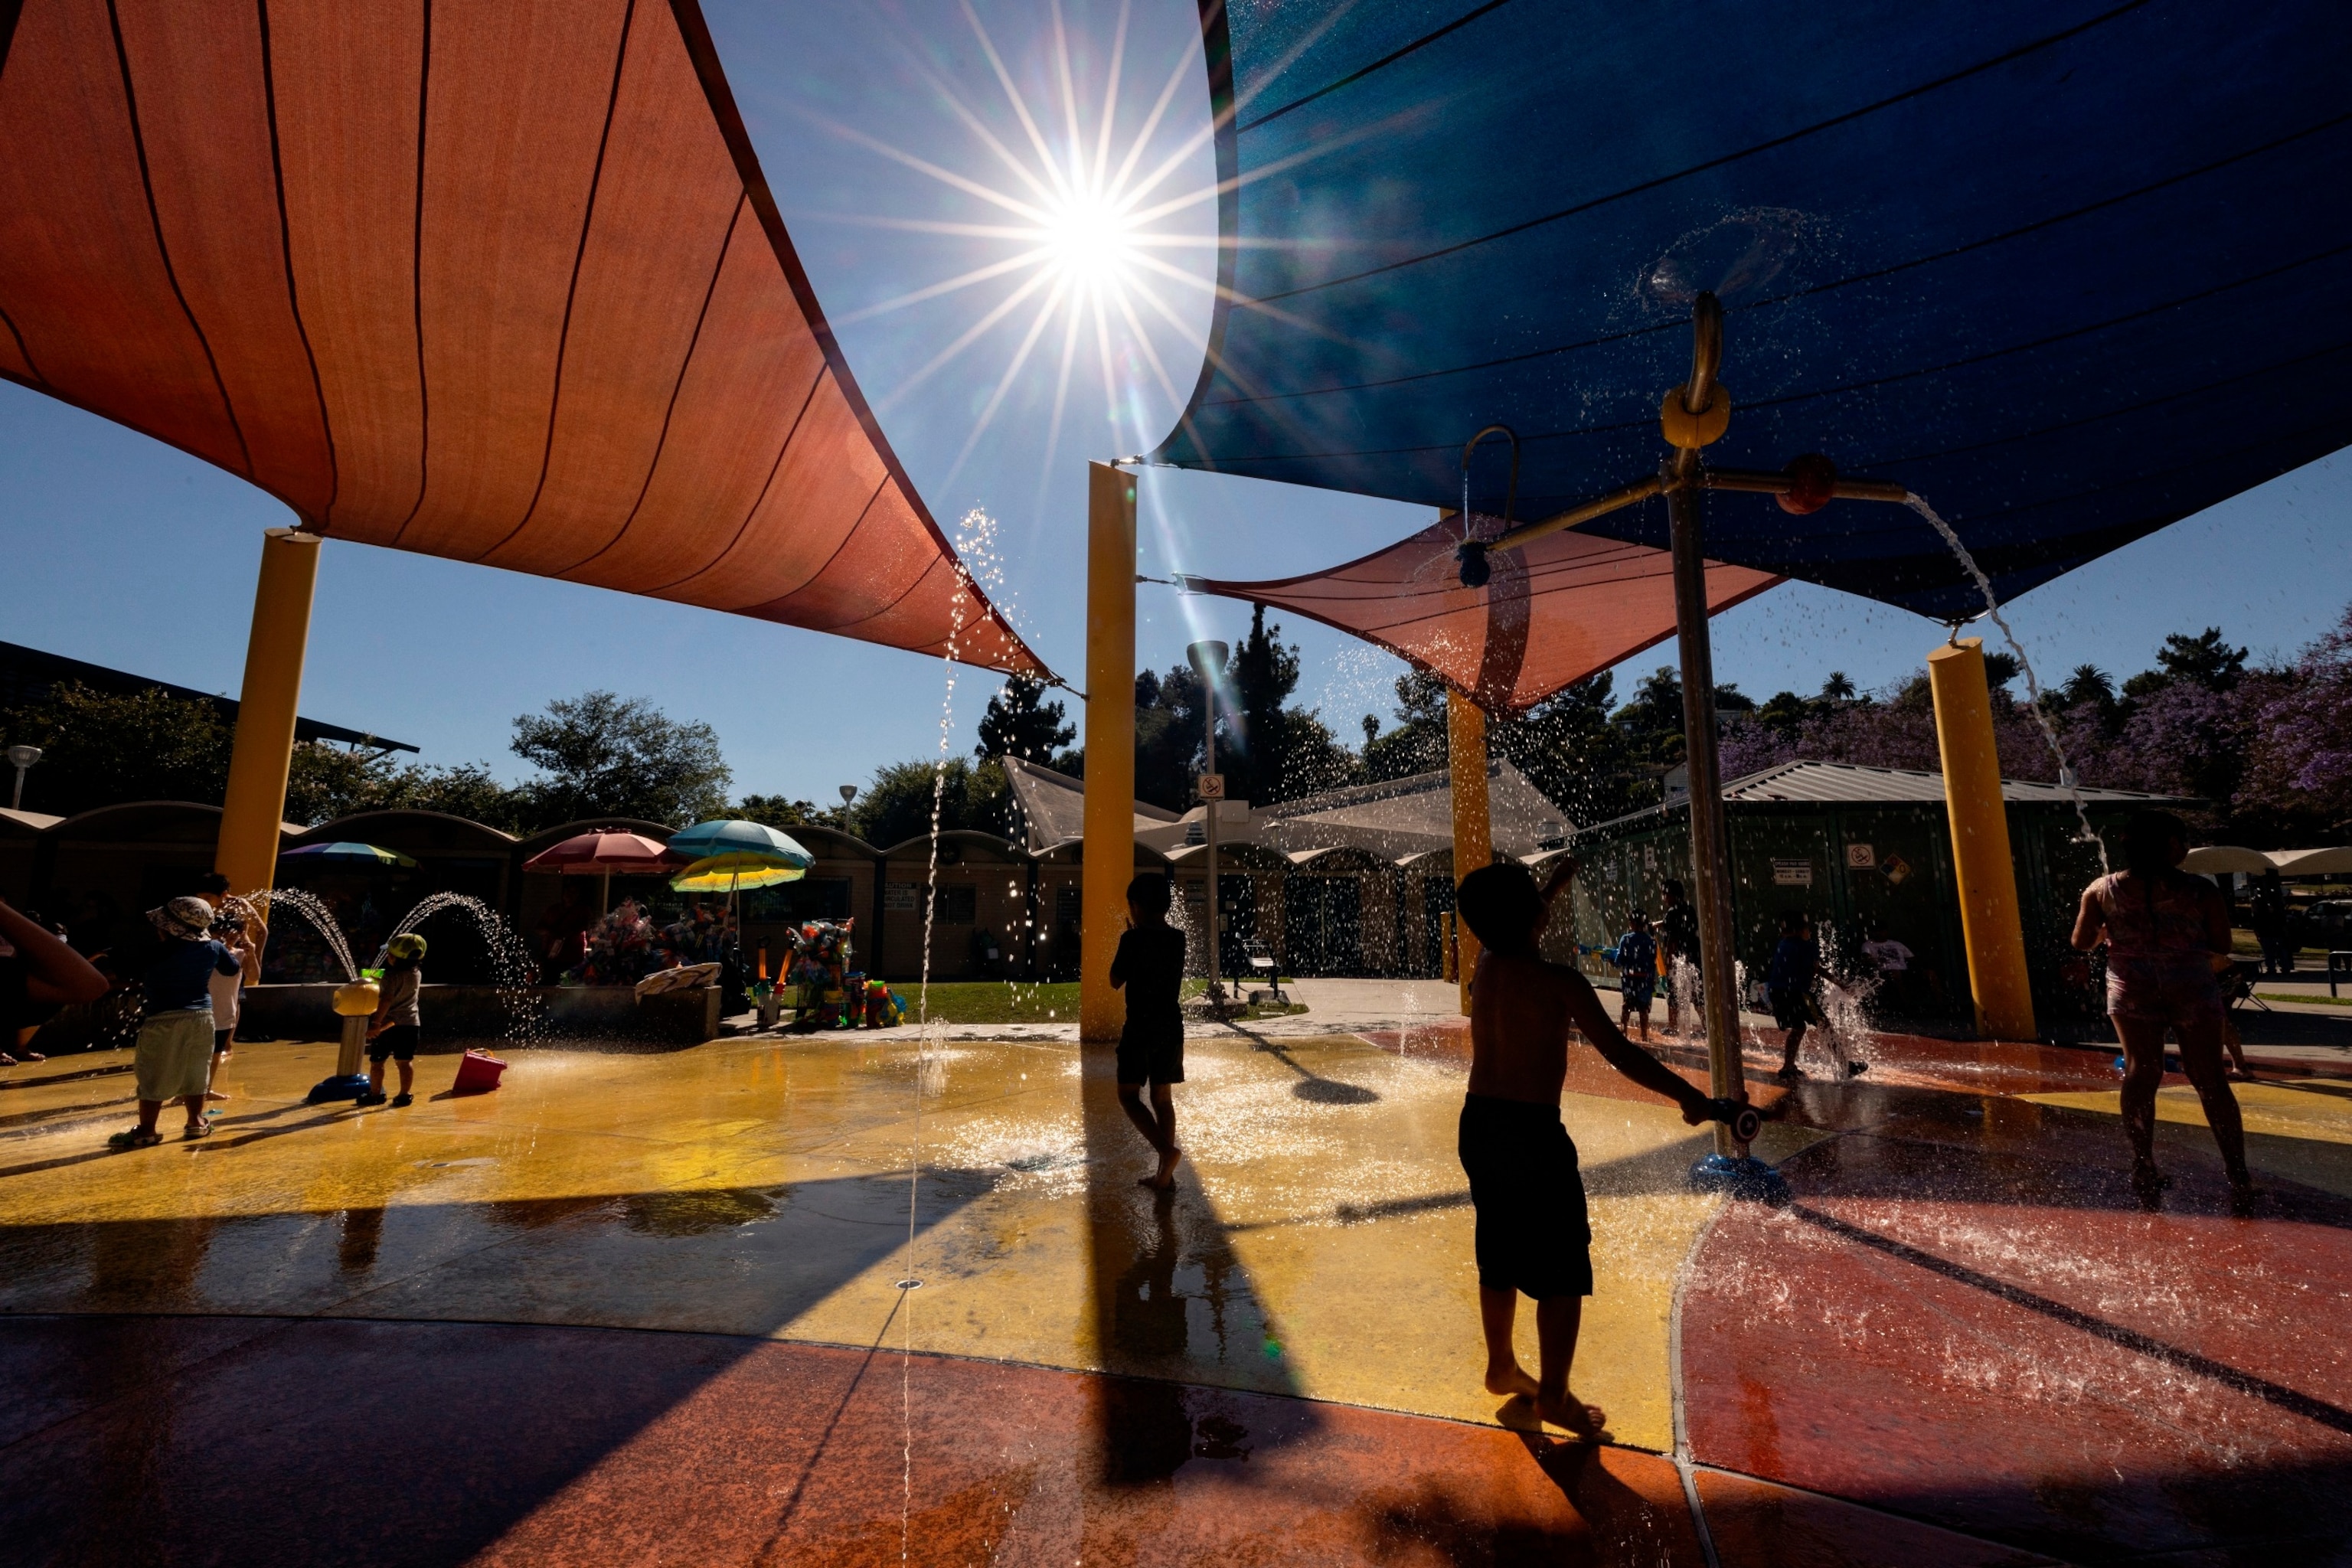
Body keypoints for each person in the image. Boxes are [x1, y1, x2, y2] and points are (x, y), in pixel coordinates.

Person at [1455, 859, 1719, 1440]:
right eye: (1537, 901)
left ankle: (1501, 1366)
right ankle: (1553, 1394)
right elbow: (1623, 1055)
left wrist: (1546, 886)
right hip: (1532, 1134)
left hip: (1479, 1126)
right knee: (1562, 1266)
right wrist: (1689, 1097)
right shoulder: (1559, 983)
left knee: (1497, 1248)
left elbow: (1514, 917)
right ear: (1533, 917)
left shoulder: (1489, 963)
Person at [2071, 809, 2251, 1205]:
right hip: (2190, 988)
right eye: (2183, 840)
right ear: (2172, 845)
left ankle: (2143, 1165)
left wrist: (2107, 934)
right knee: (2209, 1078)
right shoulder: (2201, 891)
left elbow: (2081, 943)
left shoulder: (2101, 890)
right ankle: (2237, 1172)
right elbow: (2222, 944)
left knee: (2140, 1073)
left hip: (2131, 989)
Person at [108, 898, 245, 1148]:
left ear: (167, 928)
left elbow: (125, 968)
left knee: (154, 1073)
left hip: (163, 1018)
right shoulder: (213, 947)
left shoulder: (156, 951)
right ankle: (196, 1122)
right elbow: (232, 969)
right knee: (197, 1069)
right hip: (202, 1018)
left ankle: (147, 1130)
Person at [1109, 874, 1186, 1191]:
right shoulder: (1178, 938)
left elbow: (1115, 980)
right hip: (1171, 1025)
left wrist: (1131, 940)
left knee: (1128, 1095)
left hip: (1141, 1025)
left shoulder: (1132, 939)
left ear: (1136, 906)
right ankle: (1164, 1176)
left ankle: (1166, 1154)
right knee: (1162, 1097)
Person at [0, 897, 107, 1066]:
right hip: (13, 970)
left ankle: (20, 1046)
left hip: (18, 969)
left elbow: (91, 985)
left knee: (48, 997)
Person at [193, 873, 265, 1105]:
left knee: (230, 1003)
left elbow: (262, 931)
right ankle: (191, 1087)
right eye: (200, 896)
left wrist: (254, 955)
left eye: (207, 896)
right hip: (205, 983)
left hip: (234, 964)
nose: (204, 901)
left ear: (223, 895)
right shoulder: (202, 917)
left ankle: (225, 1046)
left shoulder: (238, 906)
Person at [360, 933, 426, 1108]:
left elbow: (387, 999)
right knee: (405, 1062)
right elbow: (401, 982)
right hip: (411, 1025)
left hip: (387, 1025)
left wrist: (375, 1024)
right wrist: (380, 979)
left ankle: (375, 1095)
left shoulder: (390, 977)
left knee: (377, 1063)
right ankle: (404, 1095)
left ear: (392, 958)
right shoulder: (416, 974)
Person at [1657, 880, 1699, 1036]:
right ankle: (1707, 1028)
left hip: (1678, 958)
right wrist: (1659, 924)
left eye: (1665, 894)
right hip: (1694, 956)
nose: (1664, 898)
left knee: (1674, 993)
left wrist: (1668, 961)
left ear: (1672, 895)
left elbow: (1672, 940)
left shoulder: (1672, 912)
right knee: (1696, 993)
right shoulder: (1689, 909)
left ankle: (1673, 1026)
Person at [1611, 912, 1658, 1040]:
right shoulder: (1651, 942)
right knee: (1643, 1008)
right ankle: (1644, 1035)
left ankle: (1623, 1032)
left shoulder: (1625, 939)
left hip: (1630, 978)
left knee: (1627, 1005)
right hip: (1645, 979)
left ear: (1633, 924)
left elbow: (1619, 961)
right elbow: (1652, 962)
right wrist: (1652, 980)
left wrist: (1612, 962)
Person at [2250, 871, 2292, 977]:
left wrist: (2258, 934)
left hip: (2269, 934)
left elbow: (2256, 924)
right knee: (2278, 952)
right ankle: (2283, 967)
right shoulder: (2274, 913)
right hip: (2274, 934)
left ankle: (2274, 967)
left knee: (2270, 952)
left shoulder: (2260, 914)